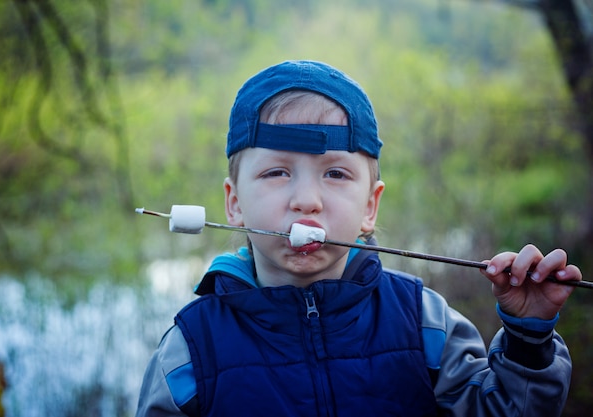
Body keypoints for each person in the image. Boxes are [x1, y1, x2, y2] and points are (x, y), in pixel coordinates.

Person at [136, 60, 582, 417]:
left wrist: (528, 340)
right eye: (276, 172)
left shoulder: (424, 325)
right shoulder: (190, 352)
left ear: (370, 206)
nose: (306, 201)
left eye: (335, 173)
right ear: (234, 203)